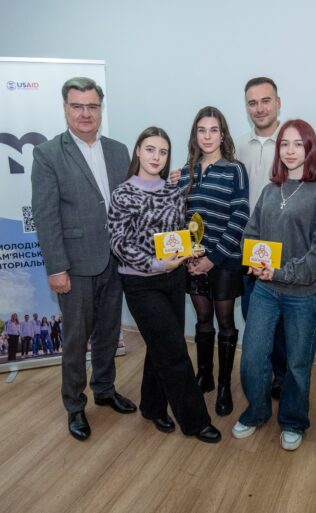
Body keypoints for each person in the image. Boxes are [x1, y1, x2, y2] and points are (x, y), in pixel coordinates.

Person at [31, 76, 137, 441]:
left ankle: (104, 389)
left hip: (115, 260)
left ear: (100, 109)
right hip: (75, 265)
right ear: (65, 109)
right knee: (76, 340)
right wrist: (56, 267)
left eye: (92, 106)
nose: (85, 113)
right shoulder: (48, 154)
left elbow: (133, 199)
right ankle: (75, 406)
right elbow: (45, 216)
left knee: (109, 332)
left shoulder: (119, 150)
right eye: (77, 106)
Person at [108, 126, 221, 443]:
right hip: (140, 283)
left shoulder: (173, 190)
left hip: (174, 278)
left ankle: (153, 406)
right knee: (174, 350)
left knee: (161, 345)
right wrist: (156, 264)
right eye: (150, 149)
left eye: (162, 151)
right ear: (138, 151)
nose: (156, 156)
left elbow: (179, 232)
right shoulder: (123, 194)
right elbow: (118, 243)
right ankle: (195, 421)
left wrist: (190, 251)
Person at [231, 119, 316, 450]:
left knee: (297, 365)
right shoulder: (270, 190)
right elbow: (251, 232)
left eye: (298, 144)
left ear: (310, 149)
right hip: (265, 290)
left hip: (303, 296)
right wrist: (252, 258)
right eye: (284, 144)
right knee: (252, 357)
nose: (290, 151)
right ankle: (257, 412)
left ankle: (293, 421)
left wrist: (278, 272)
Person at [178, 106, 250, 416]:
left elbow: (241, 215)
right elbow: (180, 217)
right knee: (202, 318)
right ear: (195, 135)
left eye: (213, 130)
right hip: (194, 261)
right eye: (201, 130)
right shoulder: (185, 171)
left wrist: (213, 258)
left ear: (223, 135)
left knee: (225, 322)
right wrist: (188, 256)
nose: (207, 136)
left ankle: (223, 386)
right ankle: (204, 375)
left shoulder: (235, 169)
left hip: (225, 260)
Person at [235, 77, 287, 401]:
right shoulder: (238, 146)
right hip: (248, 248)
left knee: (281, 323)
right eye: (252, 103)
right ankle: (261, 375)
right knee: (252, 315)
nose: (260, 108)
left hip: (283, 248)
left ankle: (282, 376)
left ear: (278, 103)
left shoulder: (292, 142)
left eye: (265, 101)